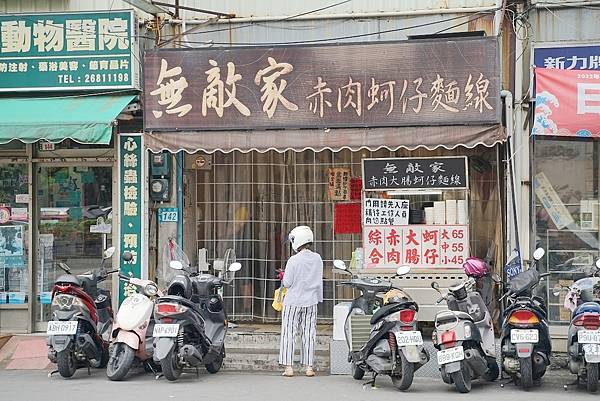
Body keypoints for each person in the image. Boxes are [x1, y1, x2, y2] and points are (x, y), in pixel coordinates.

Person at [279, 225, 323, 378]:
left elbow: (287, 283)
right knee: (309, 333)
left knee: (289, 333)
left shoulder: (293, 260)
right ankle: (309, 367)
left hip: (293, 301)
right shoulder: (317, 258)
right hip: (311, 300)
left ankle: (289, 367)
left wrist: (283, 277)